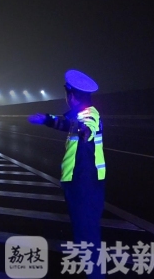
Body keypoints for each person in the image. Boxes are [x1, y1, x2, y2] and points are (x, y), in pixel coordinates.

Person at [28, 69, 106, 279]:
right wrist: (45, 119)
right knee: (84, 236)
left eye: (67, 94)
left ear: (71, 95)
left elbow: (86, 128)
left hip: (85, 183)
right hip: (79, 182)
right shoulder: (78, 114)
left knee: (87, 238)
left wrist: (84, 131)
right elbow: (64, 122)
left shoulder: (89, 114)